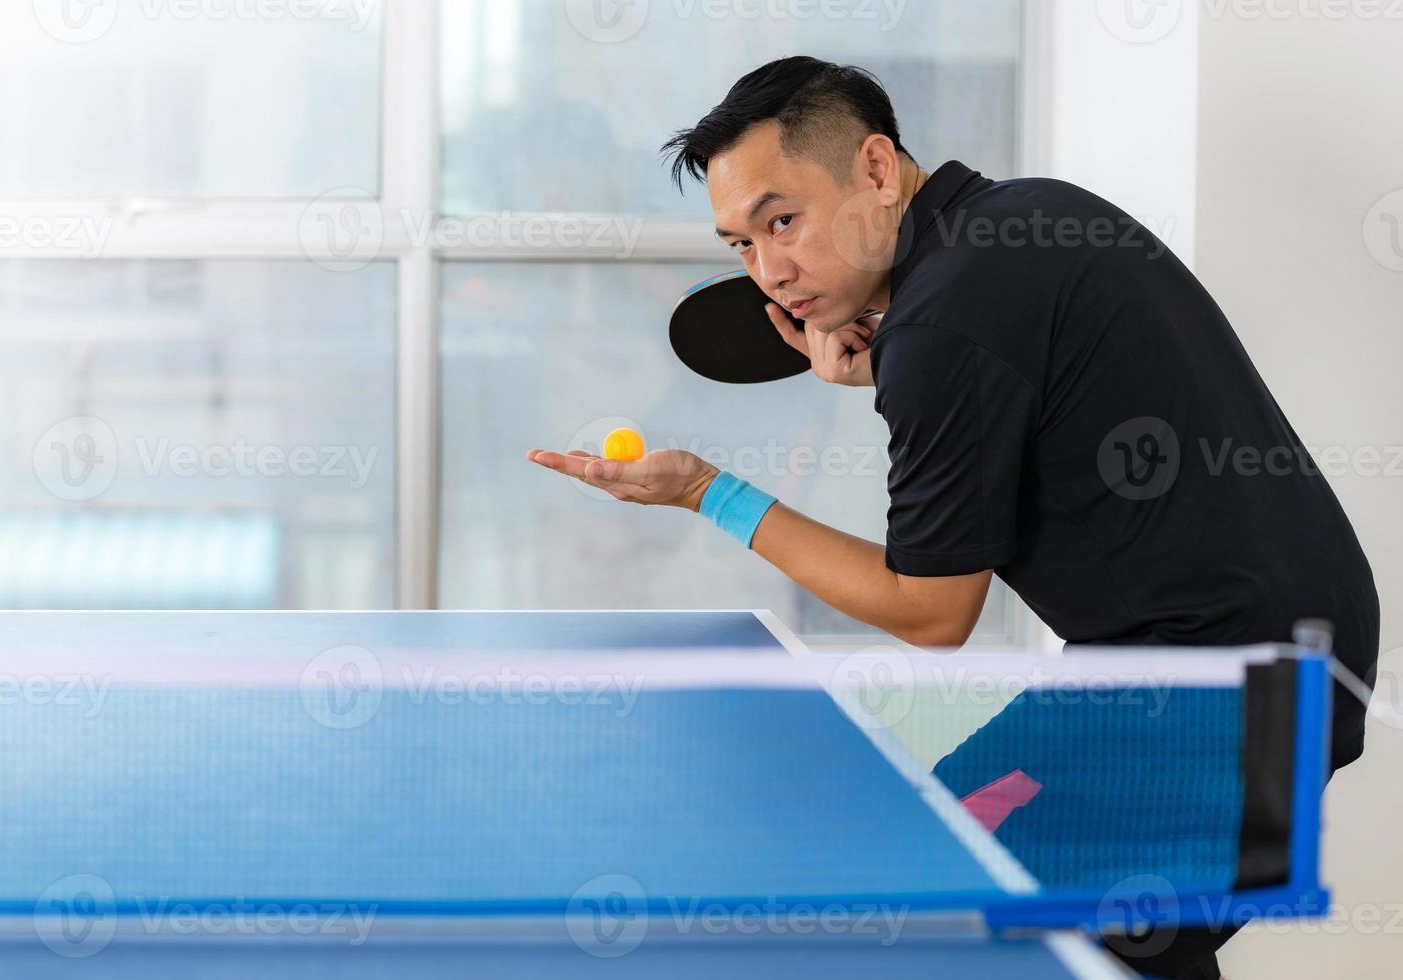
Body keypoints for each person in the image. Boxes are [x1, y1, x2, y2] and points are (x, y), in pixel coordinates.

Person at [526, 56, 1379, 979]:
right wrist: (894, 358)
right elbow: (1010, 382)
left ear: (879, 170)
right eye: (741, 243)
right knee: (980, 883)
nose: (771, 272)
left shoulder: (940, 327)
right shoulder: (1022, 215)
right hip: (1245, 641)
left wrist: (705, 491)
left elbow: (932, 614)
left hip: (1226, 688)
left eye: (784, 219)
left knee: (979, 925)